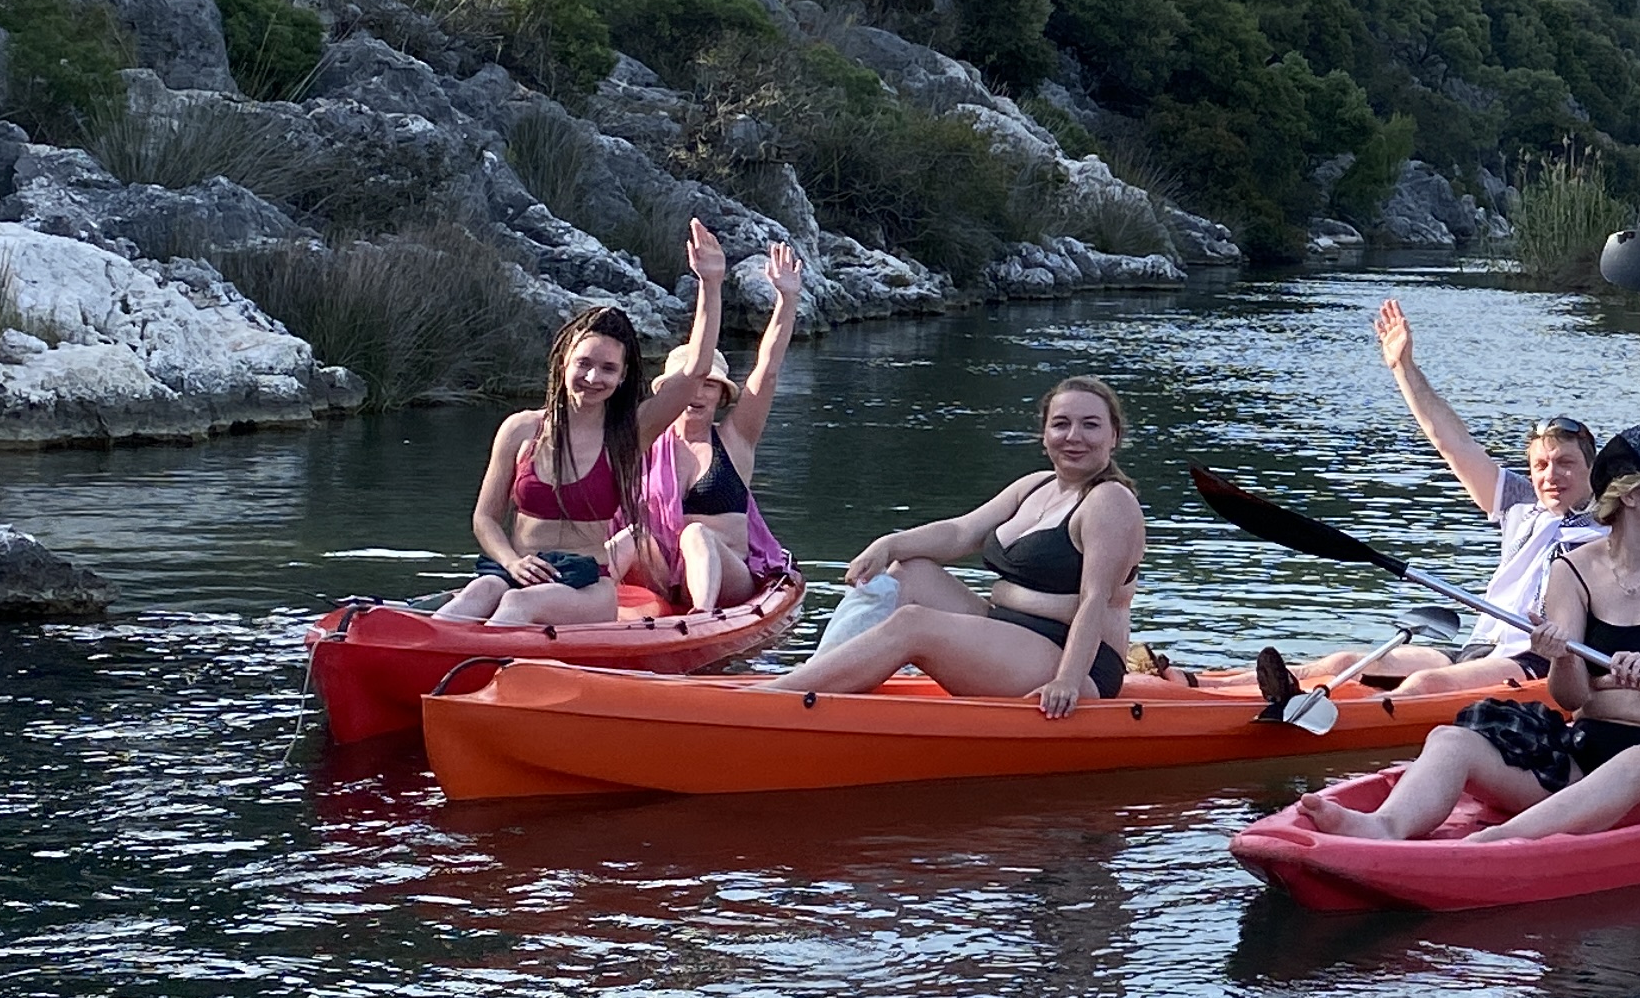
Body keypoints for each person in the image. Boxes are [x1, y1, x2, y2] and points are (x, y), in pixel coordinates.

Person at [1354, 424, 1640, 842]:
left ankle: (1490, 845)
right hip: (1585, 753)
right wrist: (1563, 657)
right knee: (1450, 738)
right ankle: (1384, 826)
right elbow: (1573, 698)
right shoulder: (1571, 572)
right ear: (1630, 493)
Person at [1267, 299, 1597, 711]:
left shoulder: (1609, 532)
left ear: (1592, 470)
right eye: (1541, 465)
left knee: (1425, 683)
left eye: (1566, 464)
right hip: (1478, 648)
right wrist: (1403, 367)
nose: (1552, 475)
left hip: (1534, 661)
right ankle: (1193, 683)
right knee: (1342, 661)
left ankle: (1334, 716)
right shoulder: (1518, 503)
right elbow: (1450, 440)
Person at [779, 375, 1158, 717]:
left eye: (1090, 425)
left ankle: (776, 699)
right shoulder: (1035, 486)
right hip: (1012, 633)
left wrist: (1068, 682)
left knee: (914, 625)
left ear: (1114, 436)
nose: (1073, 436)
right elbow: (961, 532)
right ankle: (817, 675)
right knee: (908, 571)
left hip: (1077, 663)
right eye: (1061, 424)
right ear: (1043, 435)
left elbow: (1093, 599)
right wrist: (889, 544)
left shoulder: (1110, 501)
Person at [436, 299, 712, 627]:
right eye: (583, 363)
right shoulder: (520, 429)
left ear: (623, 375)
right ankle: (411, 658)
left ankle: (473, 670)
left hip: (586, 585)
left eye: (608, 368)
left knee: (517, 602)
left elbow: (696, 371)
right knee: (480, 591)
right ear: (565, 360)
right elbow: (485, 519)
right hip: (518, 572)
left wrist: (710, 283)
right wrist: (512, 562)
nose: (593, 377)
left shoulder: (629, 434)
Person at [643, 222, 805, 613]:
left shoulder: (735, 440)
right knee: (627, 536)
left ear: (721, 395)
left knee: (697, 534)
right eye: (690, 385)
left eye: (709, 386)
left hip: (729, 580)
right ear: (668, 391)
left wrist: (787, 300)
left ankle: (700, 616)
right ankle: (563, 607)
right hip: (659, 576)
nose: (696, 394)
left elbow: (765, 371)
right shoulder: (643, 441)